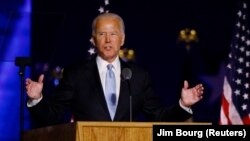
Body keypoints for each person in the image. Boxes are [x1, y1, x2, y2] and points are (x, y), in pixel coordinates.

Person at [26, 12, 204, 127]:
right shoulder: (75, 74)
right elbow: (52, 116)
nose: (108, 40)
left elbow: (158, 117)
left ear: (123, 39)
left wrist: (183, 105)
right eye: (102, 34)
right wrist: (37, 99)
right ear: (93, 40)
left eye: (113, 34)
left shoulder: (138, 77)